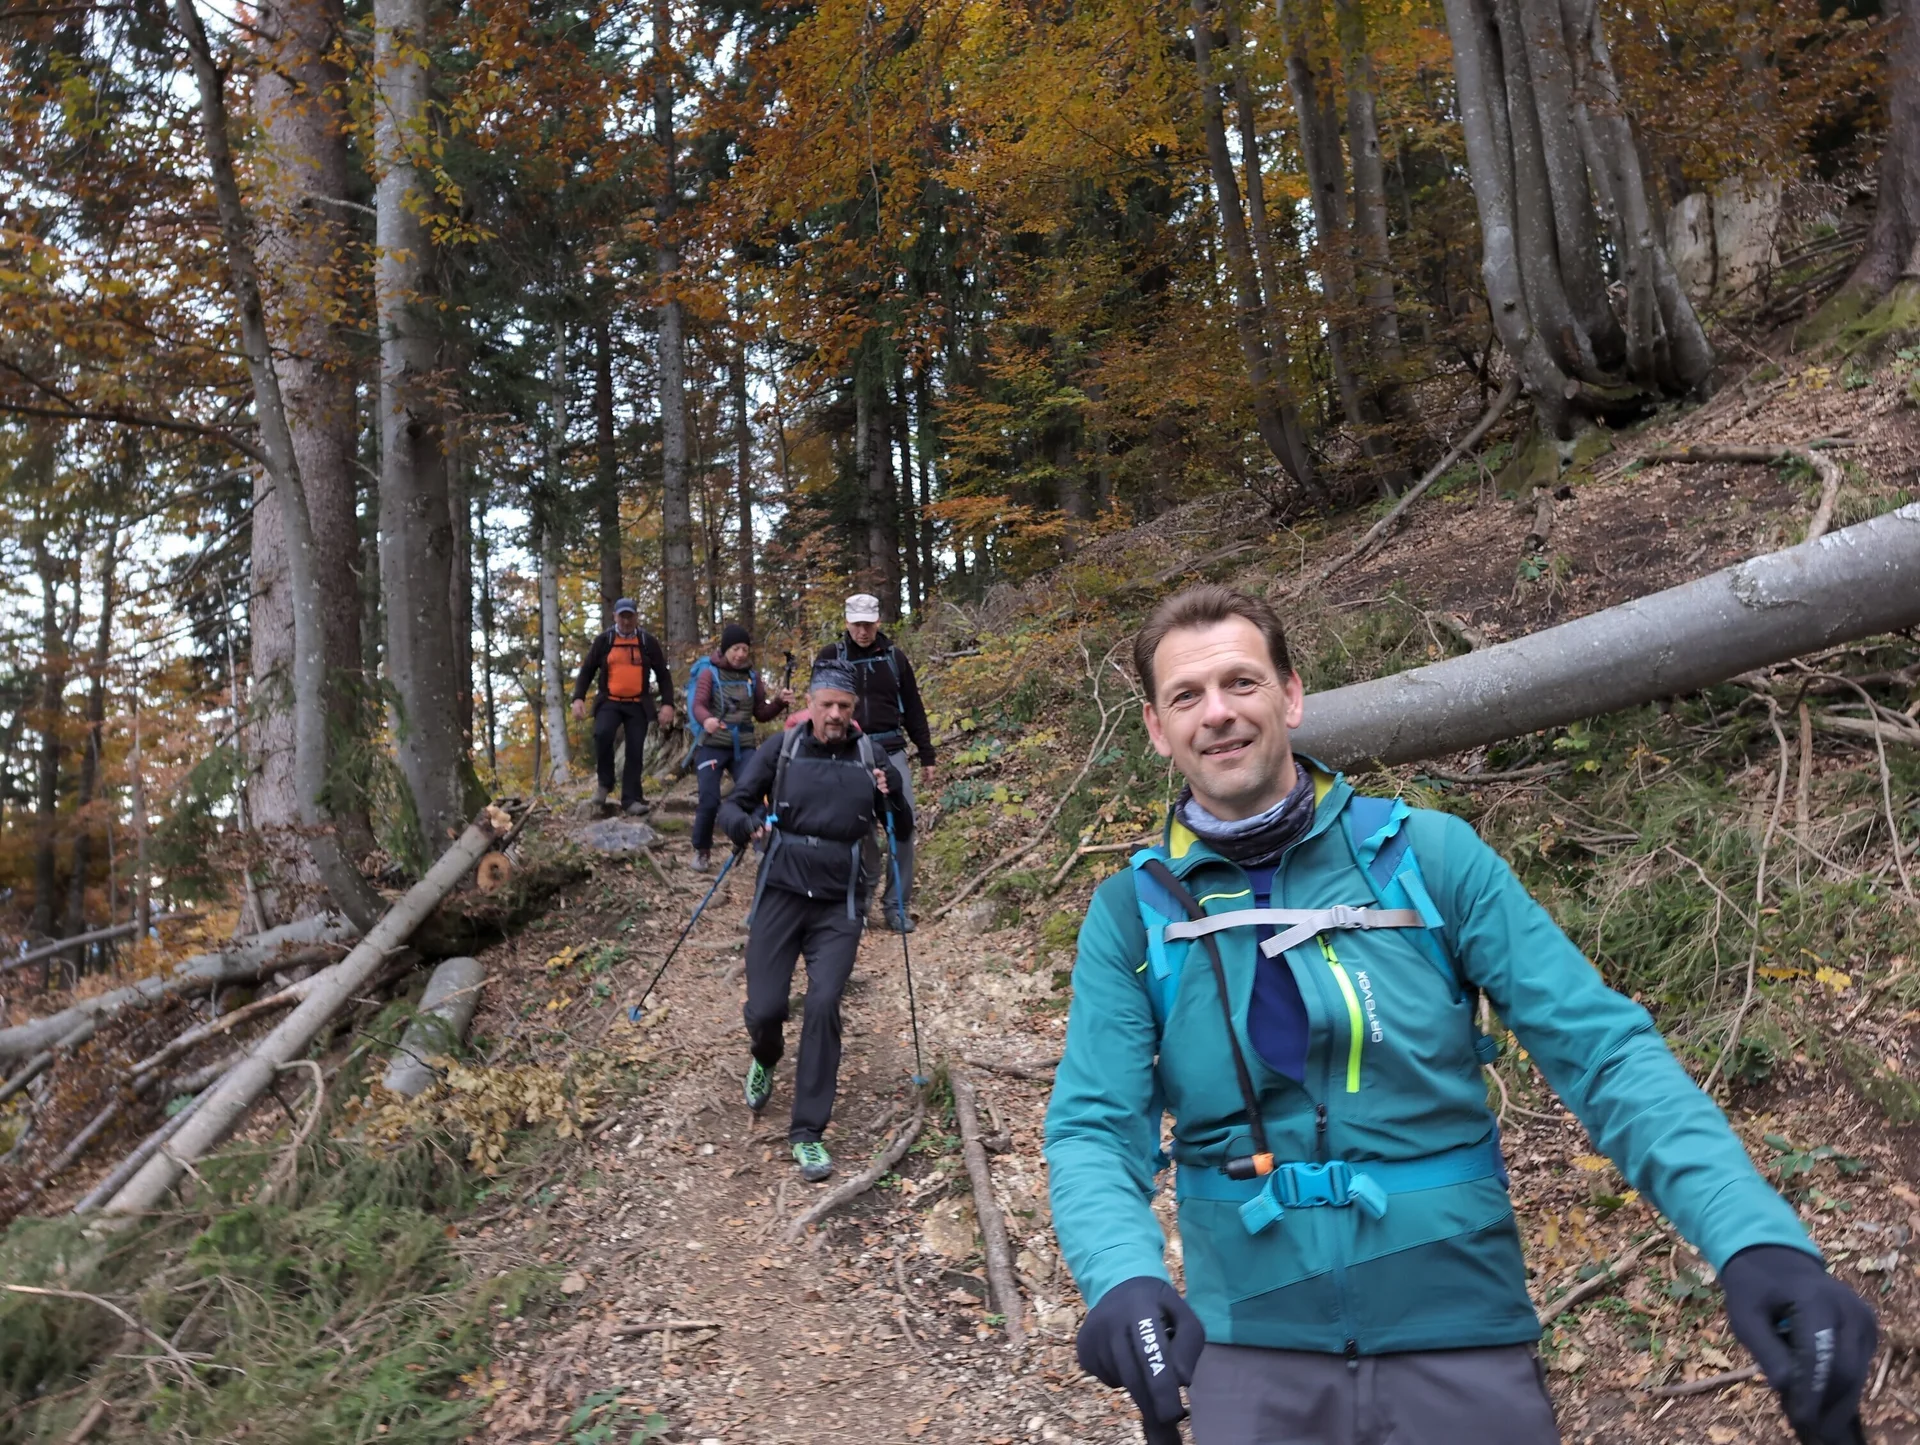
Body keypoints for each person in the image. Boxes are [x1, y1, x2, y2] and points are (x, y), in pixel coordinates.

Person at [1045, 585, 1876, 1445]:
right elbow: (1094, 1128)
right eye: (1187, 695)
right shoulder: (1133, 915)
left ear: (1291, 695)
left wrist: (1752, 1237)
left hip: (1462, 1335)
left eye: (1241, 683)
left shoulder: (1428, 859)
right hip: (1250, 1349)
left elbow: (1603, 1052)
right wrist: (1121, 1277)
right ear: (1155, 727)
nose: (1217, 713)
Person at [718, 662, 913, 1183]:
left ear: (854, 712)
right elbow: (731, 809)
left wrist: (890, 791)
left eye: (844, 708)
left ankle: (807, 1132)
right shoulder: (782, 750)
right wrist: (750, 824)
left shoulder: (870, 757)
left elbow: (903, 827)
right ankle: (766, 1056)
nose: (835, 715)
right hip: (780, 893)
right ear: (810, 705)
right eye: (826, 705)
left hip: (839, 903)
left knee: (824, 1004)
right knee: (766, 1009)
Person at [814, 594, 935, 932]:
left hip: (892, 750)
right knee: (856, 829)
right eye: (857, 624)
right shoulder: (830, 657)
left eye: (868, 624)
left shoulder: (895, 658)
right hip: (847, 752)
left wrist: (927, 754)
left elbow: (913, 707)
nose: (863, 631)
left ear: (878, 622)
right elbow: (819, 708)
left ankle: (897, 905)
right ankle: (861, 901)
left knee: (903, 827)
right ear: (847, 623)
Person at [688, 622, 793, 872]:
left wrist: (778, 702)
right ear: (725, 650)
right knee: (709, 800)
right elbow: (698, 705)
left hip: (743, 746)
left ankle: (760, 846)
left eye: (745, 649)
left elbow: (761, 713)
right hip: (712, 745)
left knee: (758, 796)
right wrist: (707, 720)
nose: (741, 654)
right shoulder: (708, 674)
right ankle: (702, 850)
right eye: (736, 648)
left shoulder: (752, 677)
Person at [571, 600, 675, 816]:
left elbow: (663, 676)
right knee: (602, 734)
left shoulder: (647, 642)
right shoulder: (605, 640)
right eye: (622, 616)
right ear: (614, 617)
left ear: (636, 617)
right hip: (610, 701)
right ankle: (604, 783)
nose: (626, 621)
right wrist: (578, 698)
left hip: (638, 703)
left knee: (635, 750)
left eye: (630, 616)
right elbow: (587, 670)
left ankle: (630, 799)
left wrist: (668, 704)